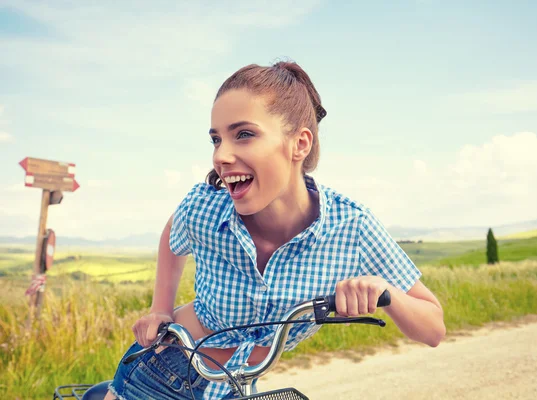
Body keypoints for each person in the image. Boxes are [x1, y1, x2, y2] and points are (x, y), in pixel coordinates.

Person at [105, 60, 446, 400]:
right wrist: (160, 309)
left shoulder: (352, 228)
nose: (221, 155)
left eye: (244, 134)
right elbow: (173, 232)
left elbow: (433, 329)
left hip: (234, 388)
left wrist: (386, 291)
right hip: (157, 373)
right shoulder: (206, 207)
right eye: (215, 139)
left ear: (299, 144)